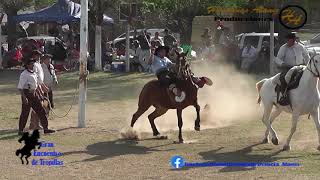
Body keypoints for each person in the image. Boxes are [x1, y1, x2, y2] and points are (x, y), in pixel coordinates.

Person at [17, 58, 56, 135]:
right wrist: (24, 98)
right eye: (31, 64)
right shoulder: (24, 74)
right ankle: (21, 130)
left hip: (34, 94)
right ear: (27, 65)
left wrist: (40, 93)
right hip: (27, 94)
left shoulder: (34, 73)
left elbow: (37, 84)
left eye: (33, 64)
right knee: (25, 113)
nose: (33, 65)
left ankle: (46, 128)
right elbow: (20, 87)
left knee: (41, 111)